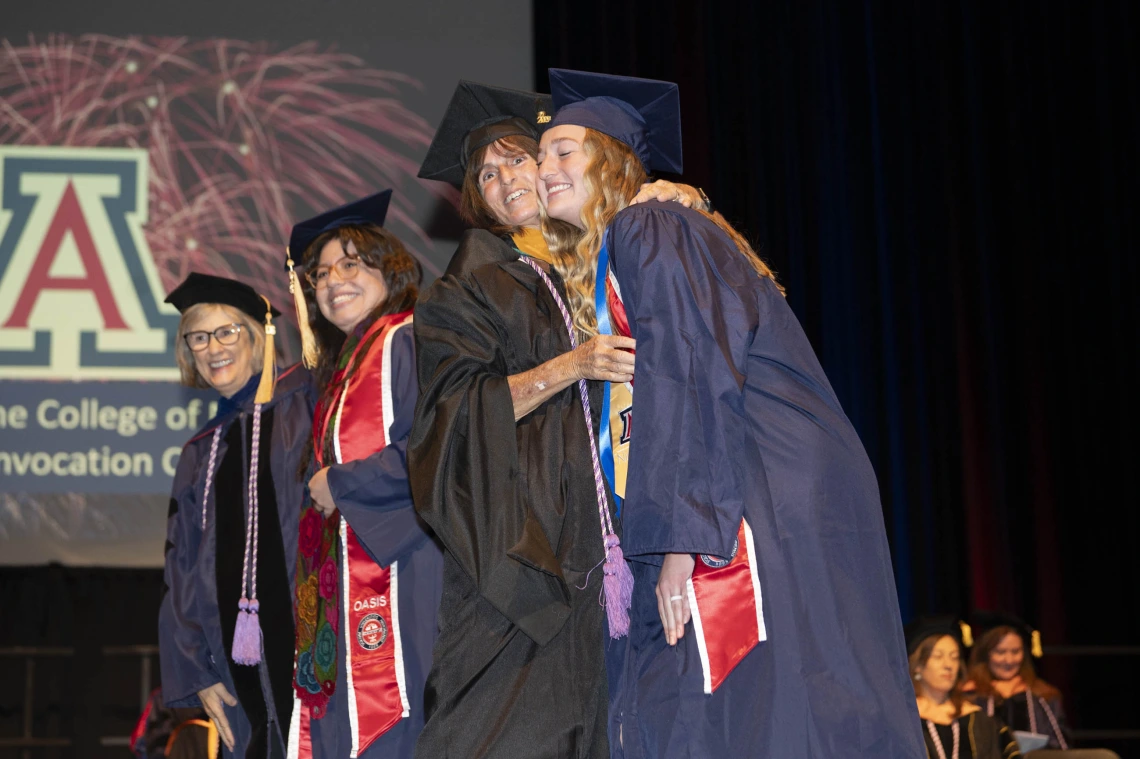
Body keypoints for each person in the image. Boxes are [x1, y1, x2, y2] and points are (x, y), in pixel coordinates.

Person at [537, 68, 925, 758]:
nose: (546, 169)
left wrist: (682, 536)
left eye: (565, 151)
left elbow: (689, 365)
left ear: (614, 160)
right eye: (542, 157)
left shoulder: (647, 224)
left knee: (738, 698)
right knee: (799, 689)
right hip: (771, 482)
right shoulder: (661, 231)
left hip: (749, 486)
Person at [409, 80, 704, 758]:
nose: (505, 177)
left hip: (614, 554)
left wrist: (681, 197)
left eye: (517, 158)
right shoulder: (467, 286)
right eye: (485, 172)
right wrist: (572, 365)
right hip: (521, 562)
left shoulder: (594, 256)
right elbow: (448, 422)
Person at [283, 191, 442, 759]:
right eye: (321, 273)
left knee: (392, 720)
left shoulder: (407, 338)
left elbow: (433, 449)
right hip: (351, 571)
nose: (332, 281)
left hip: (400, 571)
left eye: (351, 264)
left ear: (388, 266)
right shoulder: (349, 361)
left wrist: (340, 484)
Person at [159, 273, 313, 759]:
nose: (212, 348)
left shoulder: (308, 402)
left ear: (257, 334)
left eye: (227, 331)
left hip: (317, 645)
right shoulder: (201, 451)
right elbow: (180, 569)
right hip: (234, 674)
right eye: (198, 337)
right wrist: (196, 673)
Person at [907, 618, 1022, 759]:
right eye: (938, 657)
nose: (948, 665)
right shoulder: (905, 720)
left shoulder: (980, 720)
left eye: (954, 657)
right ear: (917, 666)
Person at [964, 612, 1071, 750]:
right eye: (1000, 652)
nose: (1009, 660)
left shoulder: (1043, 697)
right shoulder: (969, 696)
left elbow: (1061, 747)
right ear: (985, 655)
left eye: (1015, 652)